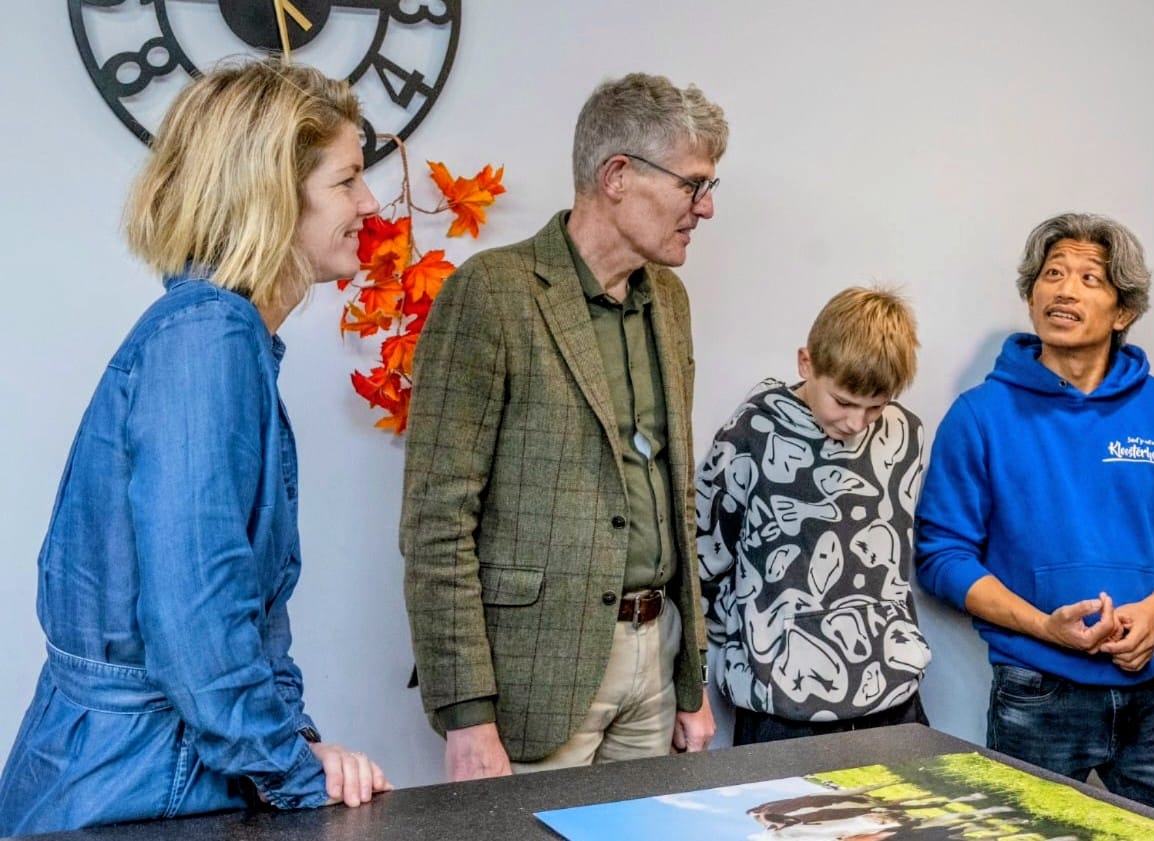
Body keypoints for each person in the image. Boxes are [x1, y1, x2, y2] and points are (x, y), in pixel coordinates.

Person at [0, 59, 390, 836]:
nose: (370, 202)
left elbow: (248, 617)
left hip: (145, 770)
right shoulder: (209, 338)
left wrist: (297, 742)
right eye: (348, 180)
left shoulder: (221, 335)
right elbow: (196, 619)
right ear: (273, 192)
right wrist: (294, 772)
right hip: (133, 783)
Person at [402, 73, 726, 778]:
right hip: (535, 679)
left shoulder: (669, 300)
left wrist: (690, 679)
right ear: (617, 176)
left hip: (656, 658)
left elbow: (676, 493)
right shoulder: (493, 293)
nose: (704, 207)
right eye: (693, 184)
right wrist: (466, 713)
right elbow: (437, 520)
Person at [914, 212, 1154, 828]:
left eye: (1089, 278)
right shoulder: (980, 415)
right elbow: (941, 557)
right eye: (1052, 274)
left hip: (1150, 686)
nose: (1064, 290)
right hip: (1036, 690)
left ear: (1123, 310)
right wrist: (1042, 627)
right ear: (1032, 295)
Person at [696, 286, 933, 745]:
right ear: (806, 363)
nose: (856, 423)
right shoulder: (750, 433)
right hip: (781, 704)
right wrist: (741, 645)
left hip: (892, 693)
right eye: (842, 401)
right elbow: (706, 556)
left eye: (875, 406)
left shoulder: (907, 433)